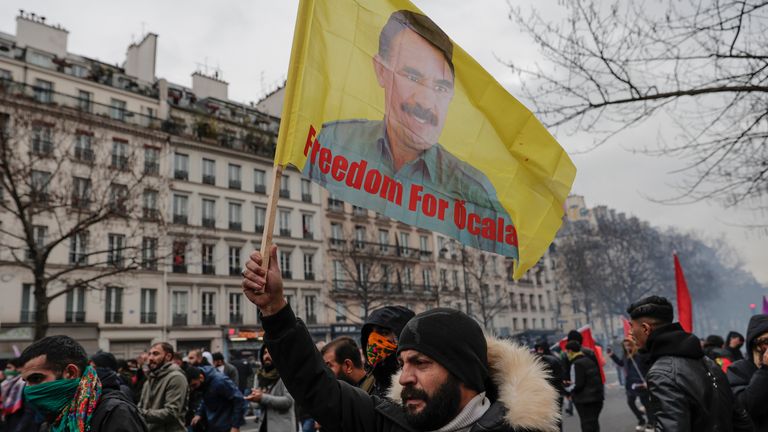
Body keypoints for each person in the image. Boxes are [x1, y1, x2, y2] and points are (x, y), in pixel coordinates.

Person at [241, 246, 560, 432]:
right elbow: (317, 389)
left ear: (462, 369)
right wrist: (275, 310)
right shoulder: (396, 421)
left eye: (420, 363)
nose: (404, 377)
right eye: (403, 362)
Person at [302, 10, 512, 253]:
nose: (425, 101)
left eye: (441, 87)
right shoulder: (331, 143)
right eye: (412, 76)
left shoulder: (474, 190)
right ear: (381, 71)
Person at [626, 296, 753, 432]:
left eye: (631, 326)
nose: (630, 333)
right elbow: (741, 419)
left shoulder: (661, 373)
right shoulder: (708, 362)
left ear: (646, 329)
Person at [18, 335, 147, 431]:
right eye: (26, 381)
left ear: (70, 373)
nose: (28, 389)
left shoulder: (115, 413)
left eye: (36, 378)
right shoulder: (52, 421)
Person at [359, 305, 414, 396]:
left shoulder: (413, 382)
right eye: (371, 333)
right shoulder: (369, 381)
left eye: (384, 333)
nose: (373, 339)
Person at [727, 314, 768, 431]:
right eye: (766, 342)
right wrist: (765, 371)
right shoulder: (738, 369)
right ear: (754, 345)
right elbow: (745, 408)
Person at [138, 342, 188, 432]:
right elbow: (142, 406)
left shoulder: (176, 377)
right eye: (149, 354)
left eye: (155, 354)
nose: (150, 358)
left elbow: (172, 412)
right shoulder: (149, 380)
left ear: (168, 357)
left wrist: (140, 413)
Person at [607, 339, 653, 432]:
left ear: (633, 345)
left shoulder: (639, 355)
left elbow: (648, 367)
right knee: (630, 402)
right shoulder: (625, 356)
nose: (627, 347)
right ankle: (641, 420)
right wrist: (612, 356)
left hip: (641, 382)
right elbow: (621, 363)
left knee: (646, 403)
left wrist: (647, 381)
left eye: (629, 345)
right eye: (625, 346)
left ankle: (651, 423)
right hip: (630, 383)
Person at [245, 346, 296, 432]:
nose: (267, 356)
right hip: (264, 427)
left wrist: (262, 397)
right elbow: (257, 405)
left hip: (282, 428)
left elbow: (288, 401)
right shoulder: (260, 375)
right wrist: (253, 400)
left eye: (270, 352)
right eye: (264, 353)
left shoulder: (286, 374)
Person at [186, 365, 246, 432]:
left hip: (226, 425)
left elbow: (239, 400)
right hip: (215, 424)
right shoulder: (205, 383)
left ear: (201, 377)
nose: (193, 389)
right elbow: (205, 399)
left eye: (194, 385)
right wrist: (199, 414)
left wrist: (235, 426)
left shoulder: (220, 381)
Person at [564, 341, 603, 432]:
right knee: (594, 424)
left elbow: (578, 385)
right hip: (597, 398)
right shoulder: (589, 360)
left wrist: (567, 388)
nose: (567, 354)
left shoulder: (576, 364)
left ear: (570, 351)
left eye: (567, 352)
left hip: (584, 400)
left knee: (587, 425)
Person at [1, 358, 40, 432]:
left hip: (22, 426)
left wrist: (19, 429)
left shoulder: (23, 385)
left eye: (9, 367)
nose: (6, 370)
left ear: (18, 369)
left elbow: (29, 411)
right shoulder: (7, 384)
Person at [533, 341, 564, 431]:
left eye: (541, 349)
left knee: (556, 419)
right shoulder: (536, 360)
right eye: (538, 349)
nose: (540, 351)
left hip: (555, 393)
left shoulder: (553, 359)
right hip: (542, 394)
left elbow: (560, 375)